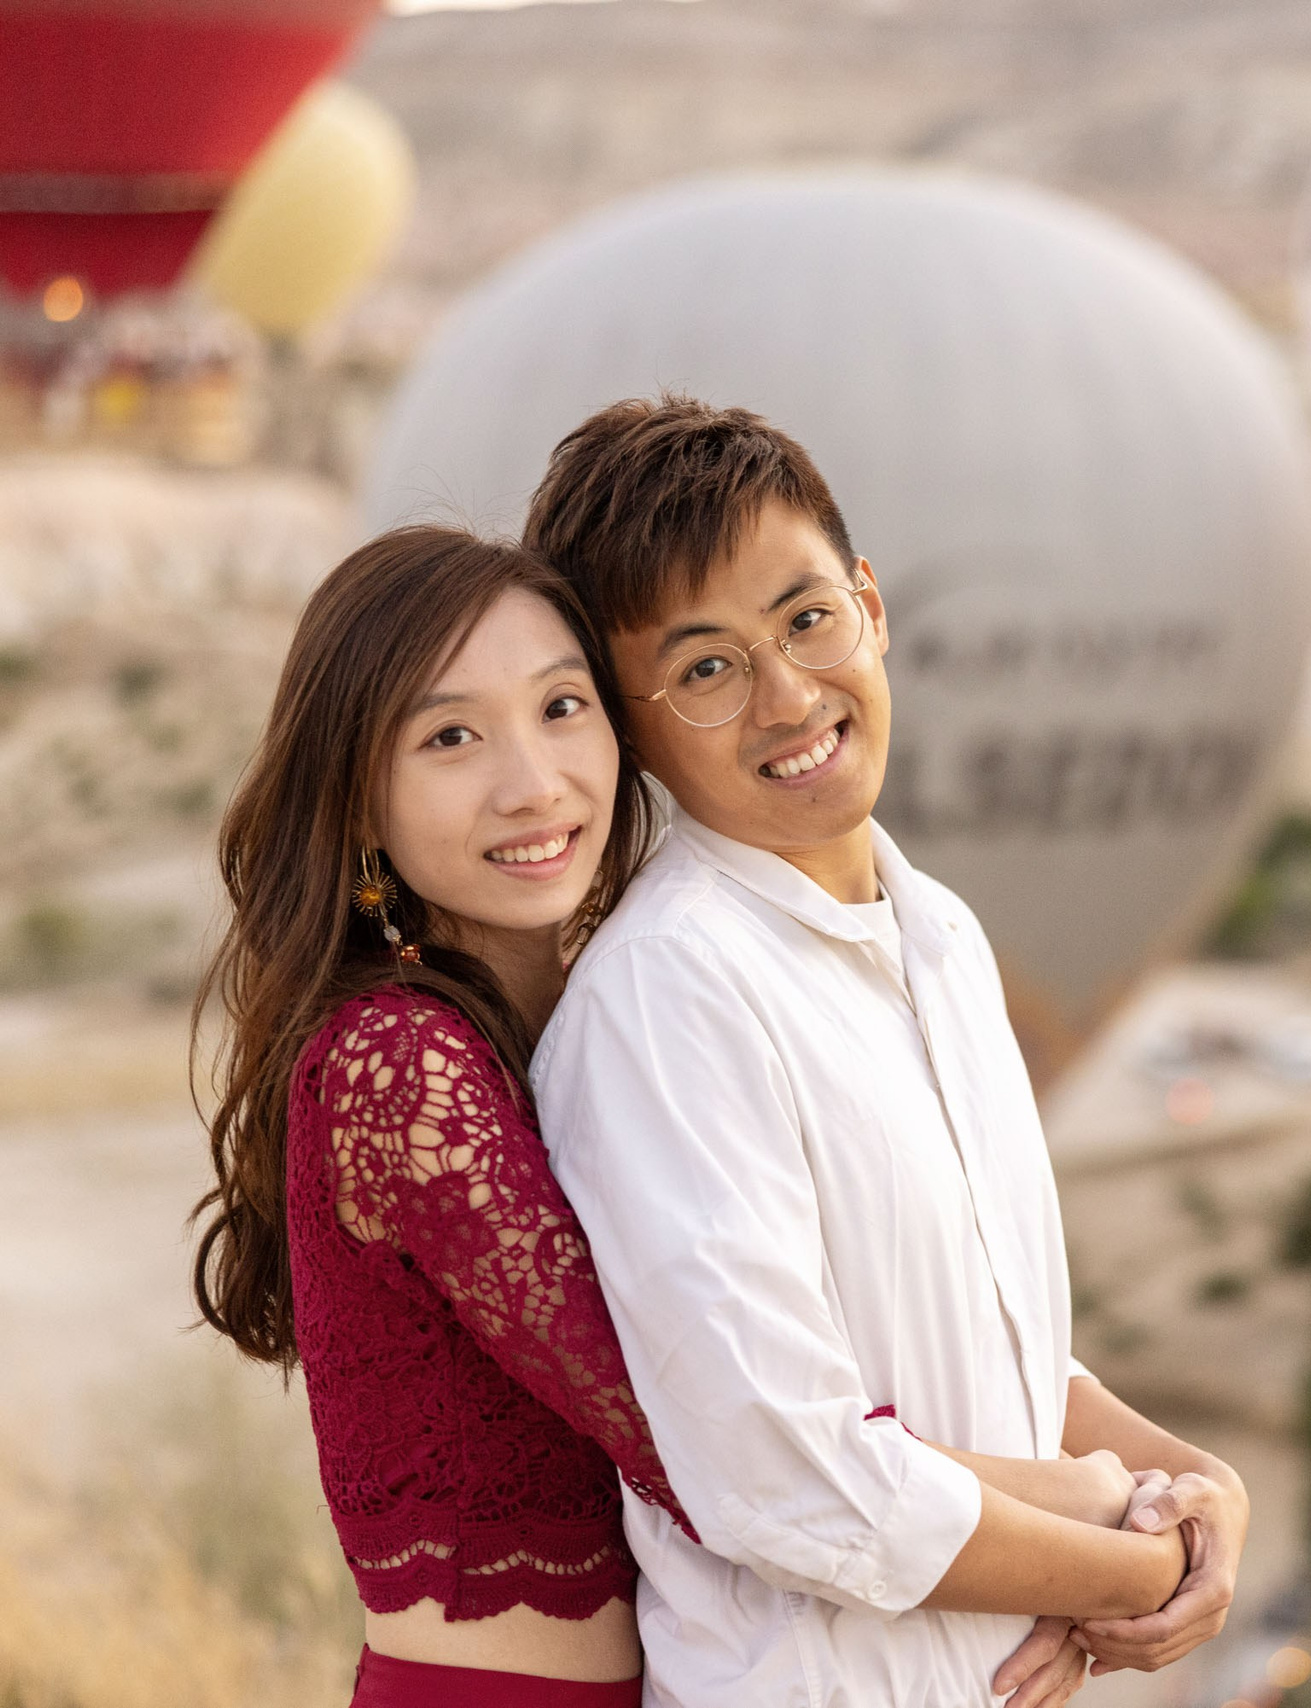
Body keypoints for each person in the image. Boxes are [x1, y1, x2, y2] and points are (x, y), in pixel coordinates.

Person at [188, 527, 1142, 1708]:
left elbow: (835, 1342)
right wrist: (1113, 1528)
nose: (531, 781)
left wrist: (1153, 1491)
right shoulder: (402, 1065)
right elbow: (720, 1439)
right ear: (359, 805)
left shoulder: (556, 1023)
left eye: (561, 707)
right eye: (449, 737)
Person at [524, 396, 1253, 1708]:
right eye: (704, 669)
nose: (788, 697)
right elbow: (784, 1473)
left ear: (871, 600)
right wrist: (1118, 1565)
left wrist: (1201, 1492)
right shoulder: (669, 995)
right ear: (631, 731)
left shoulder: (946, 940)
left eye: (808, 620)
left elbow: (989, 1353)